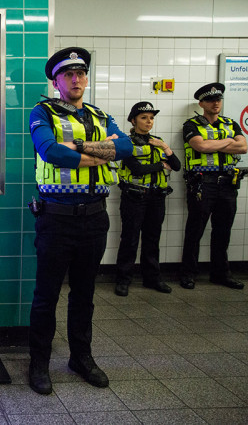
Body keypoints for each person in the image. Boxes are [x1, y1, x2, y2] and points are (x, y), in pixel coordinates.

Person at [27, 47, 133, 395]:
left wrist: (79, 149)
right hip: (56, 218)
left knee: (85, 293)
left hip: (94, 217)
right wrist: (100, 151)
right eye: (68, 74)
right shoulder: (42, 112)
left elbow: (127, 148)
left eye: (81, 73)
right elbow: (51, 152)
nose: (76, 79)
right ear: (56, 81)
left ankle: (81, 358)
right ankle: (39, 363)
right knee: (47, 295)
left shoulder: (101, 114)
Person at [180, 82, 248, 290]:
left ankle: (220, 274)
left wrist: (215, 145)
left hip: (228, 184)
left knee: (223, 231)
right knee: (195, 230)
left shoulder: (230, 123)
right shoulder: (191, 125)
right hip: (203, 185)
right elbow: (200, 145)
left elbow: (243, 147)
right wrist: (228, 142)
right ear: (201, 103)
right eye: (210, 100)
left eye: (218, 99)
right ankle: (188, 274)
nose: (216, 102)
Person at [114, 102, 181, 297]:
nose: (149, 121)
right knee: (130, 239)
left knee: (153, 239)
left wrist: (165, 147)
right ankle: (123, 280)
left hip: (157, 198)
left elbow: (176, 166)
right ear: (133, 120)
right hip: (134, 197)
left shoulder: (158, 141)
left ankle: (152, 278)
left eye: (151, 118)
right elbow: (137, 169)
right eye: (144, 118)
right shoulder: (126, 143)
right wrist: (161, 165)